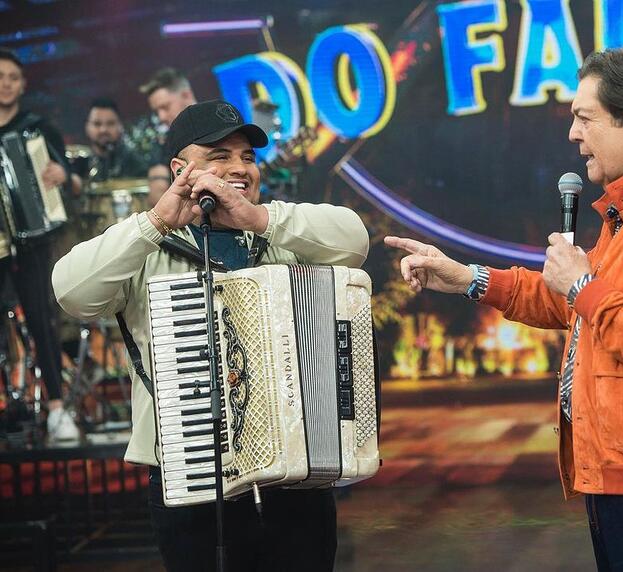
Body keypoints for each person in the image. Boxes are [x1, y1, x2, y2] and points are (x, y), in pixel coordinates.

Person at [386, 44, 623, 571]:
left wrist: (582, 284)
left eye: (584, 118)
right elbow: (578, 308)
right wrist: (468, 278)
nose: (573, 134)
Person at [52, 100, 369, 571]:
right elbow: (71, 291)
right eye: (220, 156)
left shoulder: (277, 231)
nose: (239, 168)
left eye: (247, 157)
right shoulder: (149, 247)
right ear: (182, 169)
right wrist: (154, 222)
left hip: (297, 478)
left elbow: (354, 241)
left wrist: (260, 218)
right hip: (192, 477)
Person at [0, 48, 78, 441]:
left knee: (41, 320)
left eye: (13, 77)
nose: (6, 83)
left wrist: (61, 173)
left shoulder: (36, 127)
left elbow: (69, 172)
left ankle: (57, 409)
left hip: (34, 238)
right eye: (1, 76)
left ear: (23, 84)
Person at [138, 67, 197, 207]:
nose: (161, 117)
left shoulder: (224, 127)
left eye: (165, 107)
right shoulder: (162, 145)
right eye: (157, 111)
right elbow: (156, 198)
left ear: (186, 95)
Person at [83, 97, 148, 182]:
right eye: (97, 124)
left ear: (120, 126)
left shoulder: (135, 162)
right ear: (87, 127)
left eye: (110, 123)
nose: (103, 129)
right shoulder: (79, 163)